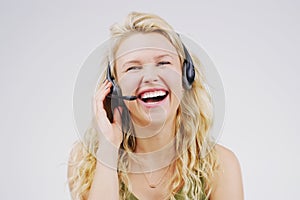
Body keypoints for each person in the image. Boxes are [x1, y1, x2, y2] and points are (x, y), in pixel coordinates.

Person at [68, 12, 244, 200]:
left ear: (186, 76)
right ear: (115, 87)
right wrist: (108, 150)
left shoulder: (221, 164)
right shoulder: (86, 163)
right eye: (133, 68)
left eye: (163, 63)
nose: (150, 77)